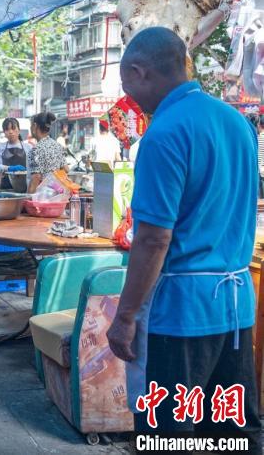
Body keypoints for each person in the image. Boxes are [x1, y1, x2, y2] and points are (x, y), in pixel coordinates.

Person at [106, 27, 261, 453]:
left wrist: (125, 316)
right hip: (235, 310)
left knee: (168, 437)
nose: (130, 98)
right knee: (232, 436)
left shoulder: (164, 133)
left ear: (139, 72)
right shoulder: (238, 123)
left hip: (181, 316)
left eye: (128, 86)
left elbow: (153, 240)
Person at [26, 112, 66, 193]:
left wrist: (27, 198)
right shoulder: (57, 146)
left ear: (34, 126)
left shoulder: (35, 150)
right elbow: (66, 169)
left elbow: (36, 177)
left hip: (42, 197)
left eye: (31, 126)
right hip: (57, 195)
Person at [0, 117, 32, 190]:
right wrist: (10, 168)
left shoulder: (28, 147)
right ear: (4, 132)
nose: (10, 132)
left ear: (19, 130)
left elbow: (33, 168)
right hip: (4, 187)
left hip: (25, 187)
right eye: (7, 129)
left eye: (13, 128)